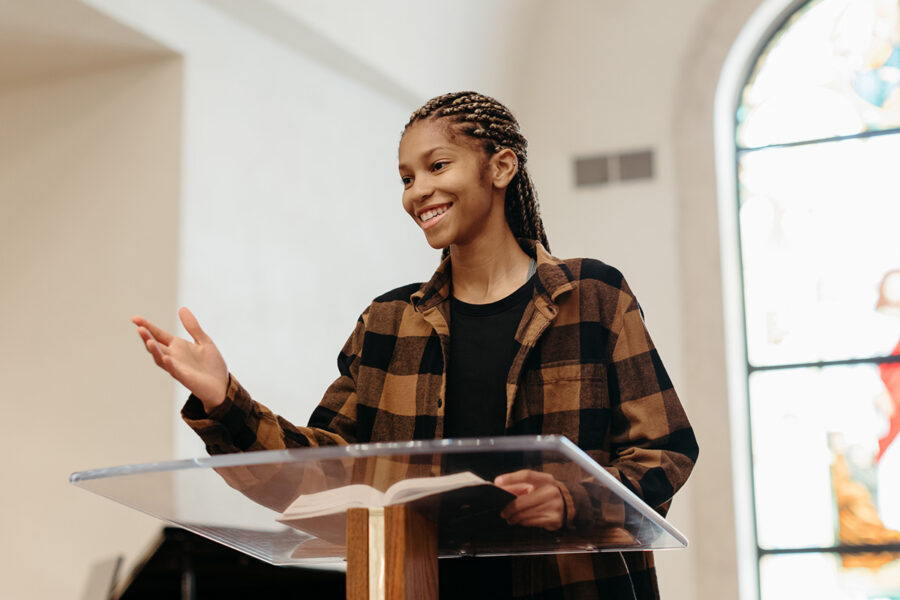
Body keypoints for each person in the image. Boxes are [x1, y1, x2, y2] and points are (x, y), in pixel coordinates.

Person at [132, 91, 698, 599]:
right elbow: (321, 475)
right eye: (406, 178)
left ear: (501, 167)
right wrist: (223, 400)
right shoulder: (386, 323)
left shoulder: (593, 295)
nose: (418, 191)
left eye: (437, 166)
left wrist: (572, 499)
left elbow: (666, 450)